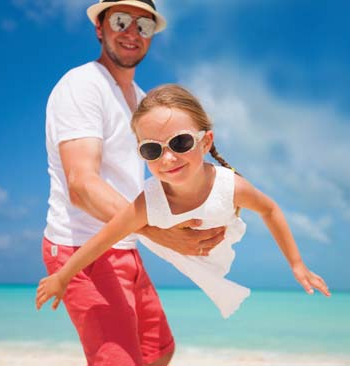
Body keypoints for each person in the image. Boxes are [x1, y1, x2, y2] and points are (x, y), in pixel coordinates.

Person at [36, 84, 332, 332]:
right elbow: (103, 239)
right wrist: (63, 276)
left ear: (206, 142)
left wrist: (296, 264)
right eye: (151, 149)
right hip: (168, 245)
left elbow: (270, 210)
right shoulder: (148, 202)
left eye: (180, 142)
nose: (167, 159)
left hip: (217, 247)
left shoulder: (231, 187)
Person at [41, 1, 226, 366]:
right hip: (82, 248)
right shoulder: (82, 86)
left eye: (143, 26)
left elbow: (157, 178)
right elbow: (81, 186)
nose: (132, 33)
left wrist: (198, 210)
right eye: (122, 21)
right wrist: (159, 231)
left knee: (159, 352)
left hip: (126, 243)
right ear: (100, 28)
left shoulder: (140, 101)